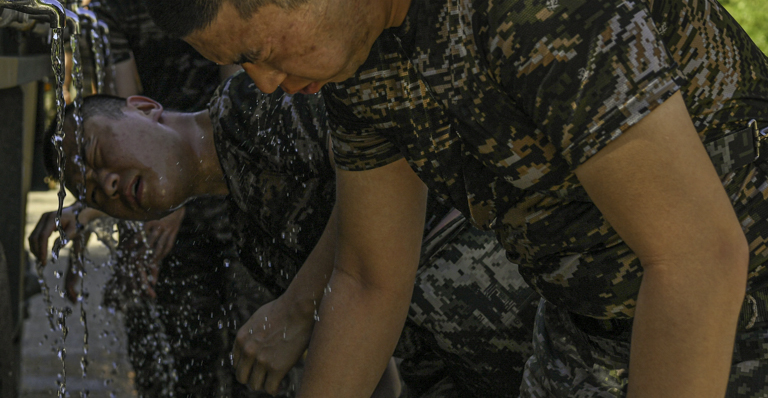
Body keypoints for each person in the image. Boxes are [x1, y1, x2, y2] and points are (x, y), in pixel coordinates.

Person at [131, 0, 768, 397]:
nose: (266, 86)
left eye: (260, 53)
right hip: (586, 317)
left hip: (738, 310)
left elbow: (697, 259)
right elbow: (368, 277)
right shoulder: (355, 36)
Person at [30, 73, 540, 397]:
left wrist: (297, 306)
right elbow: (363, 345)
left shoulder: (258, 101)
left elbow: (390, 153)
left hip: (542, 310)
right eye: (96, 193)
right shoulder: (252, 238)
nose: (109, 183)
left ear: (143, 107)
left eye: (98, 157)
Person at [83, 0, 253, 397]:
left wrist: (169, 193)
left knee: (186, 368)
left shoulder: (116, 1)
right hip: (199, 183)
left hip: (202, 180)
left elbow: (234, 94)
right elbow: (234, 93)